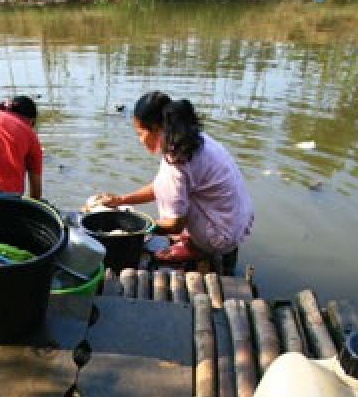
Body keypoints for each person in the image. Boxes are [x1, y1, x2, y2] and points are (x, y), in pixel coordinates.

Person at [95, 91, 253, 275]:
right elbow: (162, 187)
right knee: (176, 198)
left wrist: (135, 228)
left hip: (221, 235)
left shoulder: (177, 161)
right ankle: (198, 241)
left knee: (172, 216)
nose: (140, 140)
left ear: (155, 128)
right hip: (236, 221)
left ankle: (198, 247)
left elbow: (175, 224)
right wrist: (121, 200)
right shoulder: (193, 140)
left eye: (140, 133)